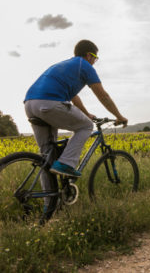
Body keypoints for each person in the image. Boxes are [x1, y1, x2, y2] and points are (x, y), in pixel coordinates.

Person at [24, 39, 128, 182]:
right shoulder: (85, 66)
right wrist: (119, 116)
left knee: (47, 157)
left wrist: (86, 114)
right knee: (86, 126)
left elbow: (74, 97)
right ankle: (66, 163)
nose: (94, 62)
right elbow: (103, 96)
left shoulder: (65, 66)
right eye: (95, 58)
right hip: (50, 102)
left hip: (30, 103)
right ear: (89, 55)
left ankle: (50, 203)